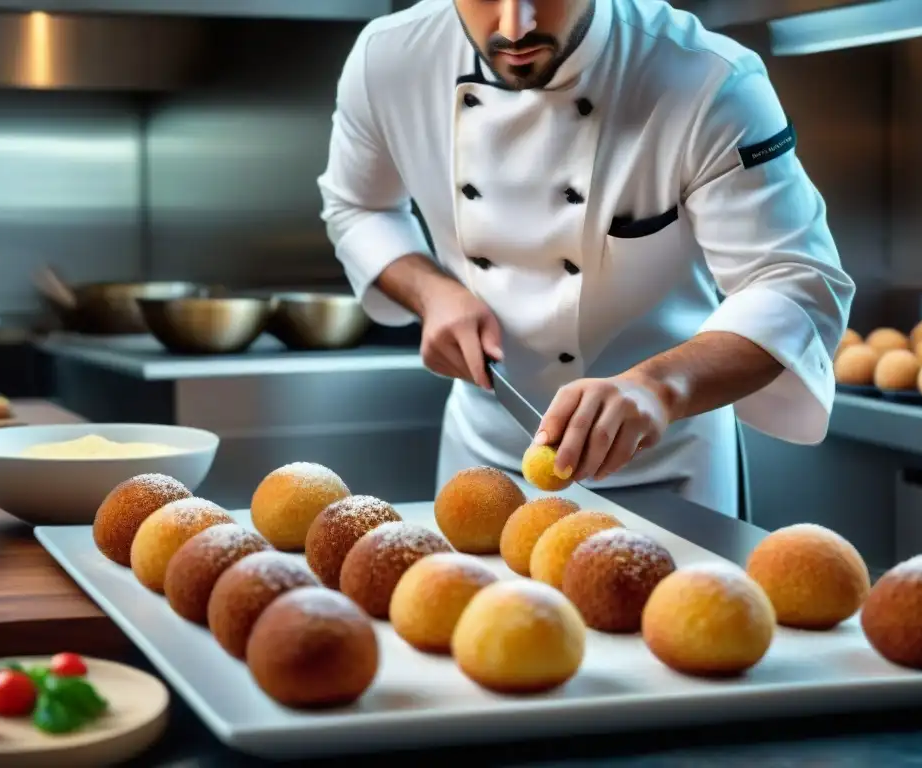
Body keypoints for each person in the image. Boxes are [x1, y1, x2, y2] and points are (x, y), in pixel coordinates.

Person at [317, 0, 855, 518]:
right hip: (483, 468)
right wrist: (432, 292)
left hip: (667, 468)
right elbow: (357, 206)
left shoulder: (710, 78)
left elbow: (797, 282)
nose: (514, 24)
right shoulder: (390, 58)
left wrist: (659, 386)